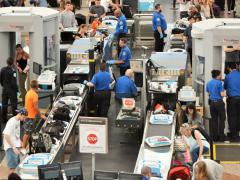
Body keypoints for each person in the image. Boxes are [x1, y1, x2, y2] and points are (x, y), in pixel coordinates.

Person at [3, 108, 28, 173]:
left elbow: (15, 133)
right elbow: (6, 135)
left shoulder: (18, 120)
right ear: (20, 114)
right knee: (12, 168)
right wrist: (13, 148)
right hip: (10, 148)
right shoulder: (11, 122)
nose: (24, 119)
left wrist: (19, 141)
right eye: (24, 117)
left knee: (16, 166)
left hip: (16, 147)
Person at [22, 80, 46, 148]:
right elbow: (36, 107)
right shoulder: (34, 95)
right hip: (30, 116)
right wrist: (41, 114)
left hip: (27, 115)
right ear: (37, 86)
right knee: (27, 133)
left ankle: (25, 147)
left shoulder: (28, 92)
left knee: (28, 133)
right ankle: (23, 148)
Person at [206, 70, 226, 142]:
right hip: (219, 103)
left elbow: (208, 93)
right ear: (217, 76)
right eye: (220, 75)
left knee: (214, 120)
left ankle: (214, 137)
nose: (221, 76)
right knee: (222, 119)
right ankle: (221, 137)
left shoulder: (208, 83)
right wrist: (226, 94)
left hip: (212, 103)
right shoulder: (219, 83)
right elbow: (222, 94)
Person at [224, 63, 240, 142]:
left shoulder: (228, 76)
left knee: (232, 116)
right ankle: (238, 134)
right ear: (236, 67)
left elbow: (225, 87)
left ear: (229, 68)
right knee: (238, 116)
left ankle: (233, 135)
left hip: (232, 99)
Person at [0, 57, 18, 123]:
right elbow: (14, 83)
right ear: (13, 63)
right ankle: (15, 119)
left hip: (4, 89)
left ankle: (3, 119)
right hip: (12, 90)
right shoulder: (13, 71)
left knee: (4, 104)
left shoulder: (2, 69)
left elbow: (1, 80)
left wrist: (4, 86)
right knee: (14, 104)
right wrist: (17, 90)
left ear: (7, 62)